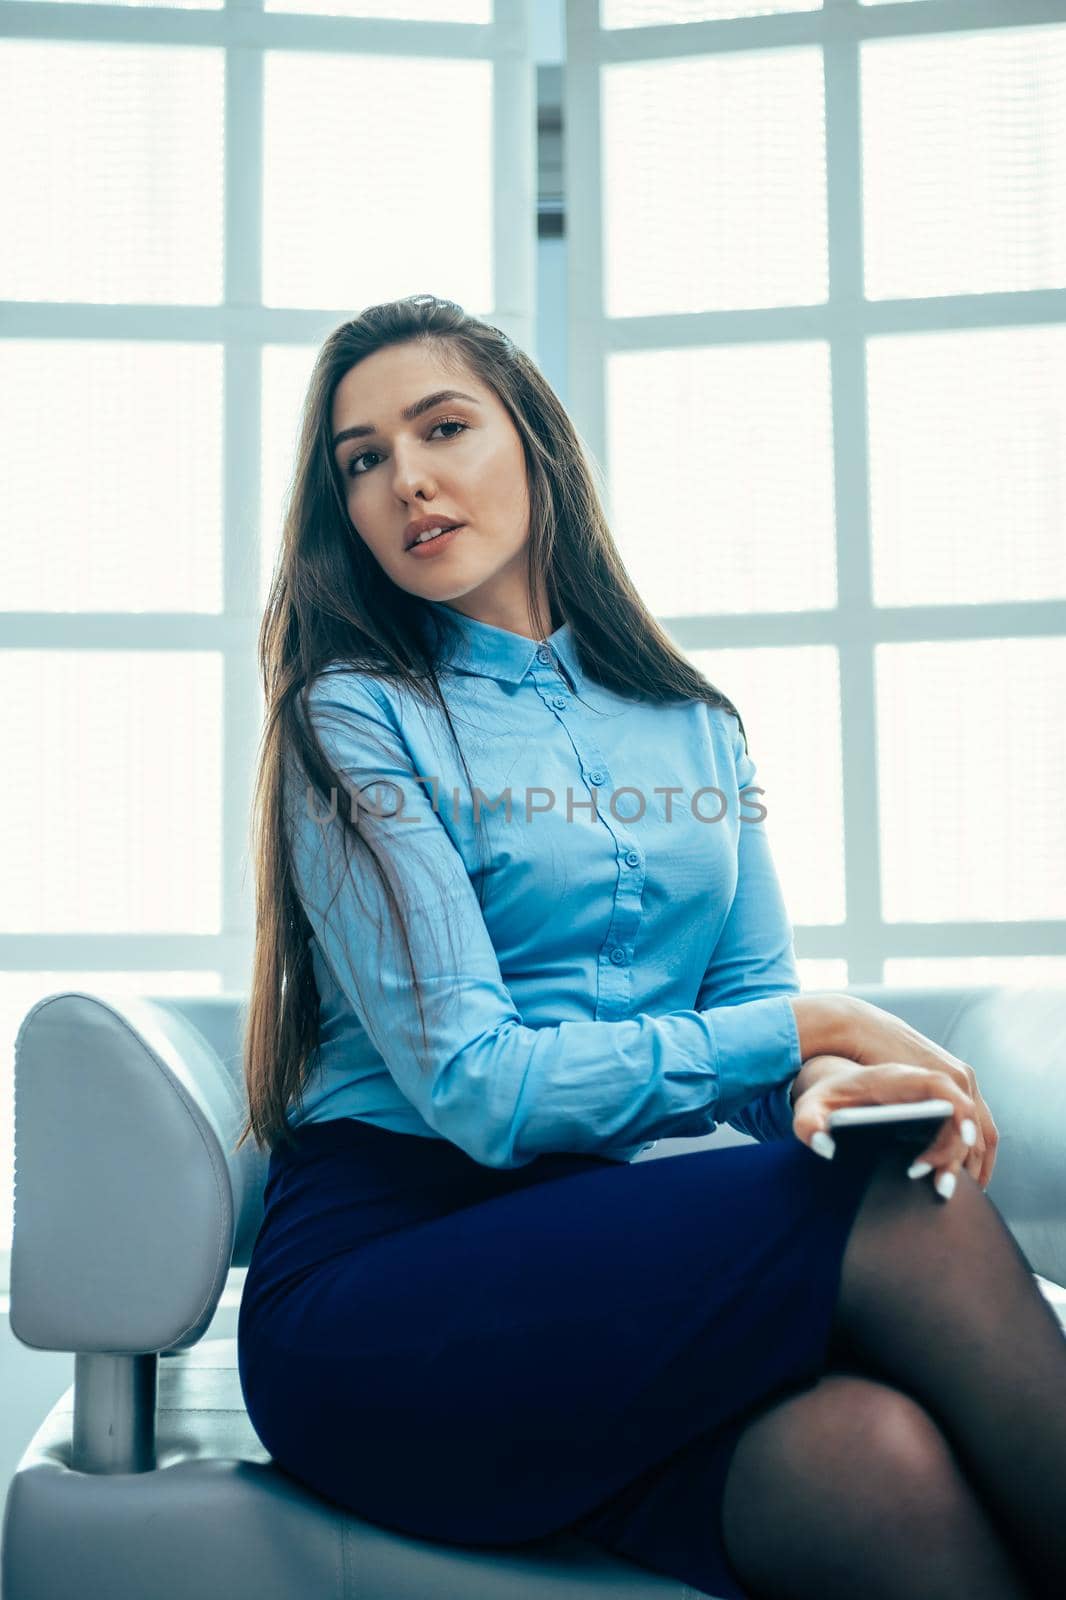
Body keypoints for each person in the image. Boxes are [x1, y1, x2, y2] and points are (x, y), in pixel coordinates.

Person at [233, 293, 1066, 1600]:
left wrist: (817, 1083)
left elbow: (745, 1017)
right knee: (896, 1202)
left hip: (599, 1274)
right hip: (381, 1299)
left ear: (535, 445)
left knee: (872, 1459)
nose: (407, 479)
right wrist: (810, 1026)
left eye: (443, 426)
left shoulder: (693, 727)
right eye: (362, 459)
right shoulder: (351, 721)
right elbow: (483, 1090)